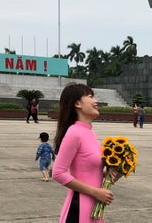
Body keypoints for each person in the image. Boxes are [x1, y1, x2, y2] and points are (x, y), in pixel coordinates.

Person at [52, 83, 119, 222]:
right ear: (77, 103)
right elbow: (58, 173)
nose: (96, 101)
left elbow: (90, 172)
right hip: (79, 210)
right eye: (90, 97)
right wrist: (95, 192)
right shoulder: (74, 133)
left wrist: (109, 175)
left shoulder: (90, 132)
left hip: (94, 208)